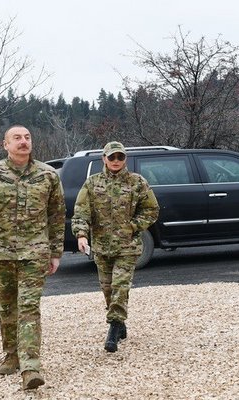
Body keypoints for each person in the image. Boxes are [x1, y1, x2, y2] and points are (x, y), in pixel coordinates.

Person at [0, 125, 65, 390]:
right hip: (1, 252)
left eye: (27, 137)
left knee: (29, 307)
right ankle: (12, 354)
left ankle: (31, 366)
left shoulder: (48, 175)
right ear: (4, 144)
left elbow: (56, 215)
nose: (23, 142)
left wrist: (55, 252)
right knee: (7, 306)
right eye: (17, 138)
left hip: (35, 252)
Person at [71, 141, 159, 352]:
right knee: (108, 290)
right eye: (112, 157)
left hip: (127, 247)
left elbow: (151, 210)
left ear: (125, 159)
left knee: (120, 287)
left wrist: (133, 226)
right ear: (104, 159)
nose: (116, 161)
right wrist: (81, 235)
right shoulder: (92, 184)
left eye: (120, 157)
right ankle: (120, 324)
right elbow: (81, 211)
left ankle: (112, 330)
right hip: (101, 248)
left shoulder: (137, 182)